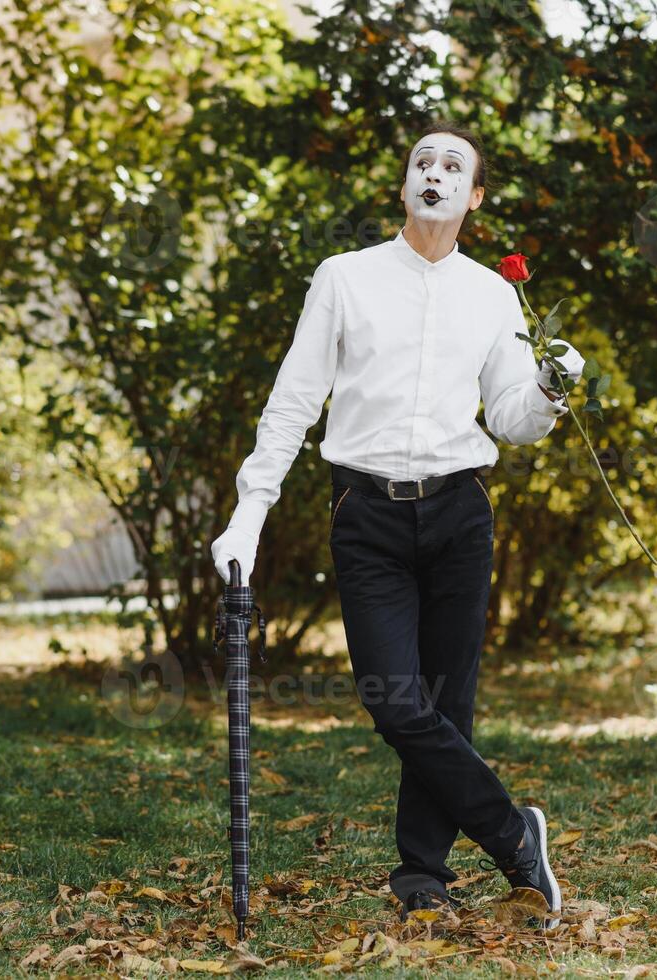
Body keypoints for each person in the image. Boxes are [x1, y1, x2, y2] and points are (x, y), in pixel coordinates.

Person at [209, 121, 581, 928]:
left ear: (474, 195)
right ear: (404, 186)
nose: (436, 173)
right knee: (394, 701)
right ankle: (512, 836)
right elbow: (294, 403)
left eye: (455, 165)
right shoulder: (344, 278)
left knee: (450, 701)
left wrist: (550, 393)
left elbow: (512, 419)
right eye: (423, 162)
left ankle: (423, 876)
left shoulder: (494, 295)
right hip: (366, 511)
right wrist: (250, 514)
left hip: (459, 510)